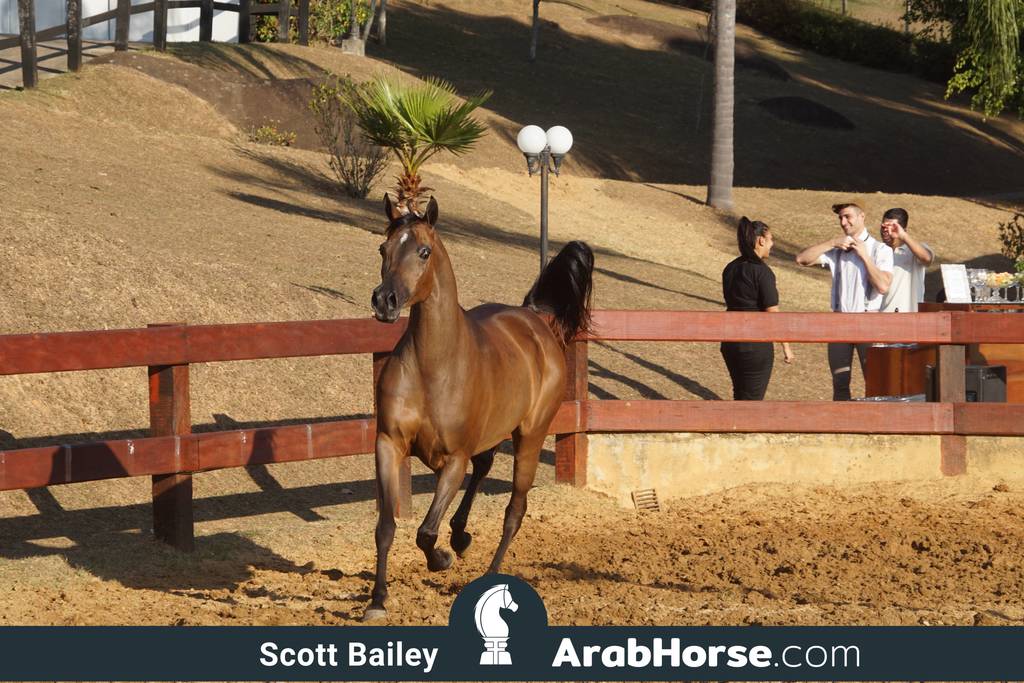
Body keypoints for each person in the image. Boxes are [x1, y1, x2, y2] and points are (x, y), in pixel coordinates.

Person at [795, 202, 894, 401]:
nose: (843, 222)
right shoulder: (838, 249)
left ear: (861, 216)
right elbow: (801, 259)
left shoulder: (880, 249)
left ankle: (875, 426)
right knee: (840, 382)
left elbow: (883, 286)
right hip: (839, 322)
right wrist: (832, 242)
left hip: (869, 321)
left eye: (847, 216)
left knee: (874, 381)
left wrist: (865, 256)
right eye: (840, 217)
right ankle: (842, 426)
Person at [721, 217, 794, 400]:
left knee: (740, 392)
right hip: (755, 344)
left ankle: (735, 425)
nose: (772, 244)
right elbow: (772, 314)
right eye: (771, 239)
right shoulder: (762, 272)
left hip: (730, 341)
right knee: (752, 398)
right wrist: (786, 346)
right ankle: (741, 427)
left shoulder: (730, 268)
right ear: (761, 240)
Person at [878, 208, 935, 313]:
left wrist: (903, 236)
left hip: (908, 317)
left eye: (892, 227)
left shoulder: (914, 250)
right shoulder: (877, 251)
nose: (887, 231)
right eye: (884, 227)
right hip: (879, 315)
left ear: (904, 230)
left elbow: (927, 259)